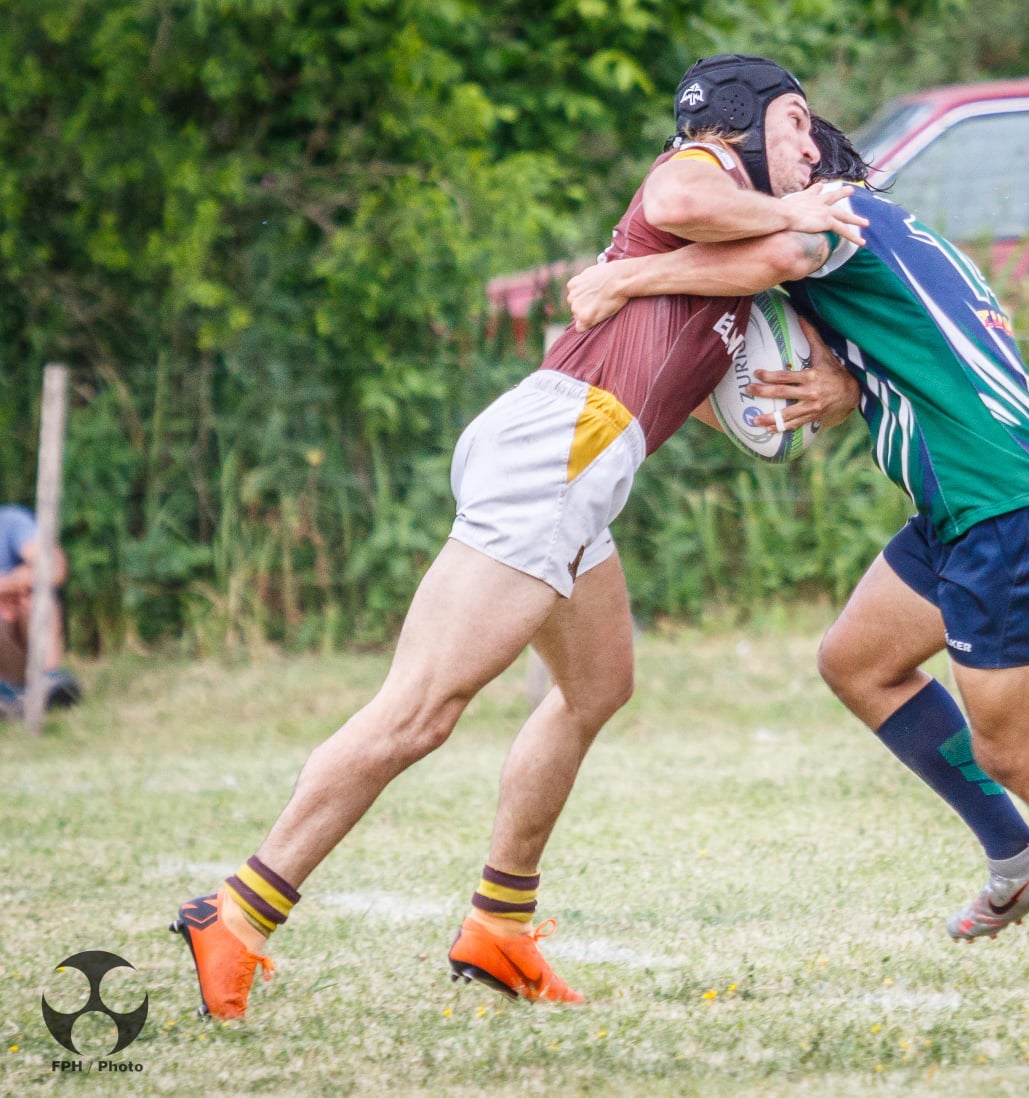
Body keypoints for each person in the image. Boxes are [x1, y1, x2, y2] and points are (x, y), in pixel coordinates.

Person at [169, 54, 869, 1021]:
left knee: (596, 686)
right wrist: (791, 220)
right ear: (744, 123)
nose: (809, 144)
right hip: (560, 451)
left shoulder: (730, 252)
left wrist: (813, 389)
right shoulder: (703, 167)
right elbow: (694, 198)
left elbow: (700, 369)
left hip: (578, 458)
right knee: (419, 711)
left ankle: (499, 928)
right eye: (797, 121)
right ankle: (238, 914)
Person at [566, 116, 1029, 982]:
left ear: (813, 163)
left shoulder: (837, 218)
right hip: (968, 504)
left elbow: (737, 241)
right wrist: (853, 378)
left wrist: (624, 276)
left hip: (1013, 506)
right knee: (858, 661)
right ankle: (1021, 863)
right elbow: (917, 343)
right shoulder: (893, 234)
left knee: (1020, 752)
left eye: (773, 163)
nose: (758, 183)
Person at [0, 503, 81, 717]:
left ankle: (50, 681)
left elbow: (54, 567)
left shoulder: (10, 521)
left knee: (37, 600)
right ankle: (11, 696)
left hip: (20, 638)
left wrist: (15, 586)